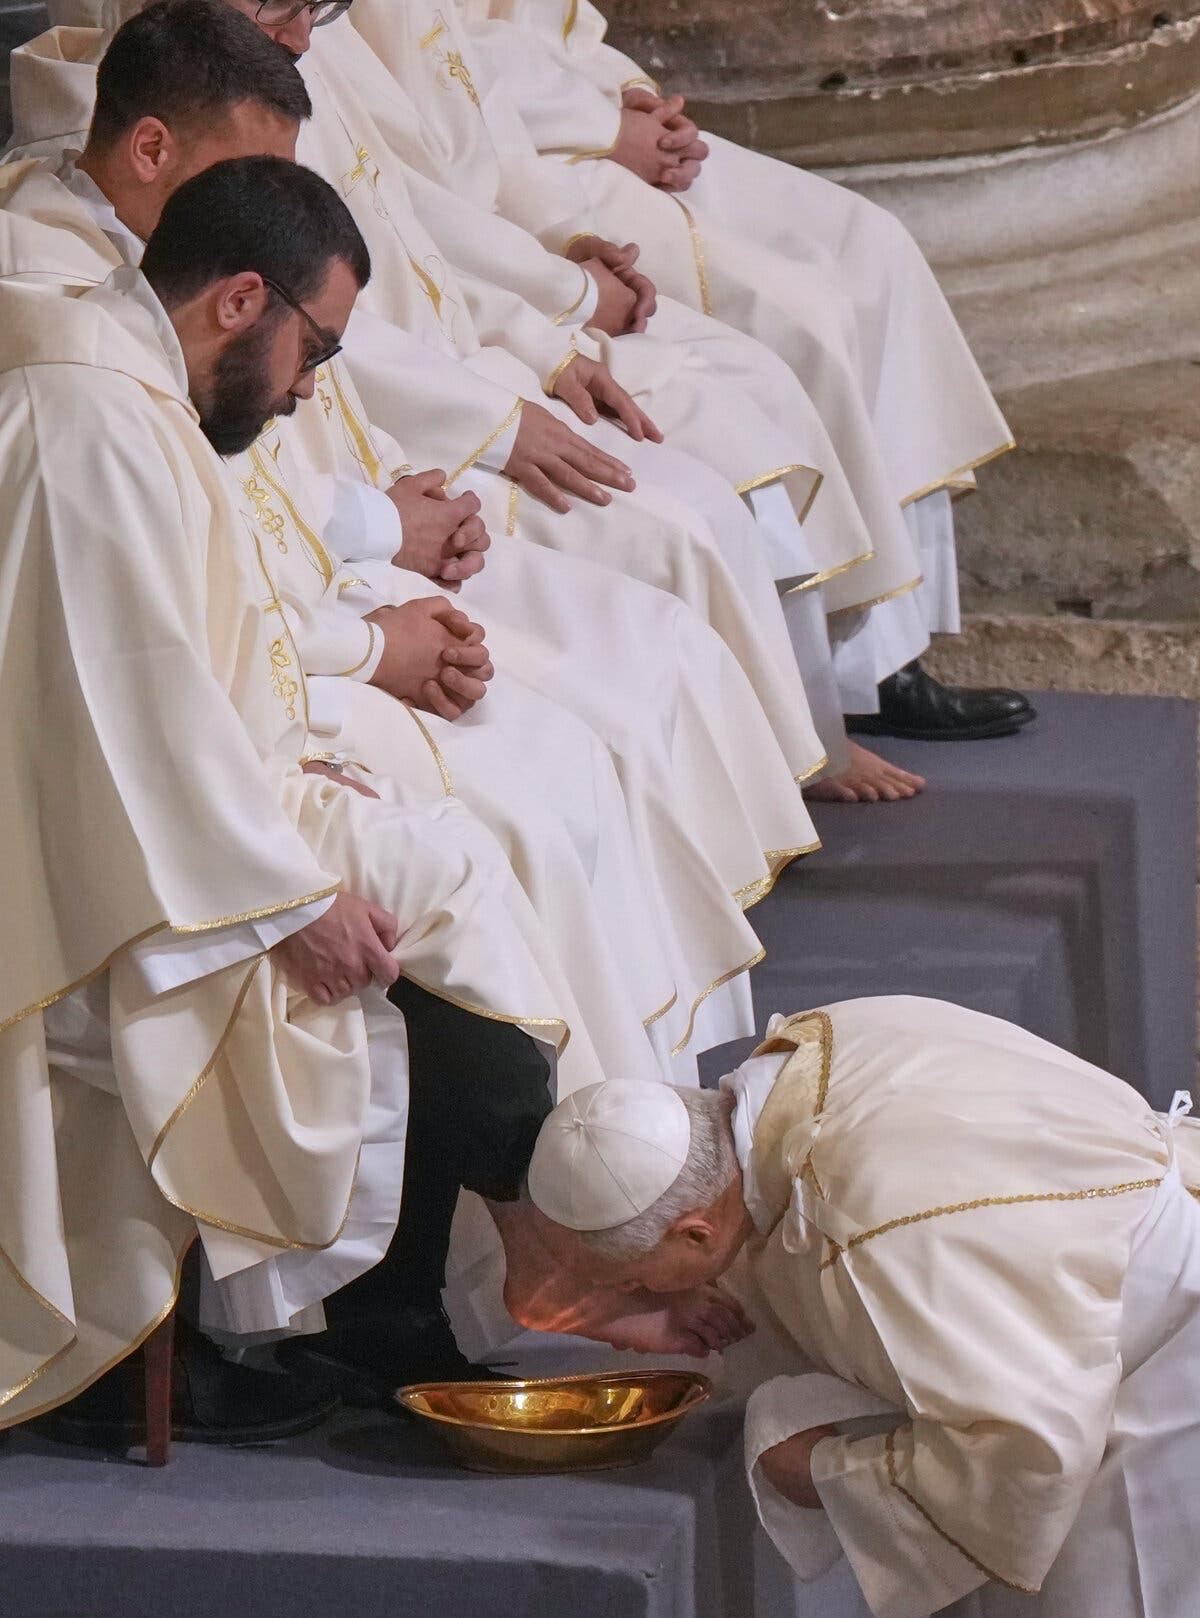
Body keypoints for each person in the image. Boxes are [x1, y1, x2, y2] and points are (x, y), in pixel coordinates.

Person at [0, 0, 828, 1077]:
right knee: (509, 832)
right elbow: (134, 657)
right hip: (263, 685)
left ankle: (626, 1134)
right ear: (155, 149)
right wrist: (362, 653)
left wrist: (383, 529)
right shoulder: (70, 332)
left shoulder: (157, 291)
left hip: (304, 616)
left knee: (577, 752)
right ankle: (564, 1190)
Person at [0, 151, 599, 1445]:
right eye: (313, 347)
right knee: (411, 899)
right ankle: (528, 1234)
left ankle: (450, 1273)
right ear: (239, 300)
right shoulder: (92, 417)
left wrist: (283, 760)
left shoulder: (130, 382)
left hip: (143, 816)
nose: (308, 388)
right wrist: (282, 899)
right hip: (69, 873)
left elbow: (167, 671)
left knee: (438, 862)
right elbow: (118, 708)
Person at [14, 0, 966, 805]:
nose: (304, 30)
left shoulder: (250, 107)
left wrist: (545, 330)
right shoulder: (67, 287)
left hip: (375, 480)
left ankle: (827, 717)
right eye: (285, 5)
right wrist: (384, 538)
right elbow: (165, 561)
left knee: (652, 642)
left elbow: (416, 209)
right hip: (332, 549)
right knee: (584, 719)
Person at [502, 995, 1200, 1618]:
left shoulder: (872, 1220)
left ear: (695, 1235)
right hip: (1096, 1337)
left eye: (629, 1282)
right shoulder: (804, 1065)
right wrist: (678, 1298)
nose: (626, 1303)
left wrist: (826, 1470)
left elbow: (1022, 1447)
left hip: (1153, 1391)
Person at [419, 0, 1036, 745]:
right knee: (807, 320)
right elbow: (454, 69)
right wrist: (605, 129)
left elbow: (555, 24)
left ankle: (894, 642)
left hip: (583, 125)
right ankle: (861, 663)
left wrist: (634, 99)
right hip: (537, 163)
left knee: (876, 245)